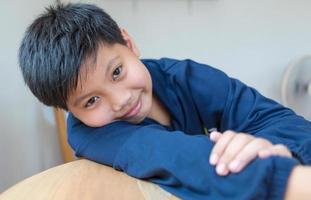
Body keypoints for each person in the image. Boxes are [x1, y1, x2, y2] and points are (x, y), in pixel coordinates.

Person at [18, 3, 311, 200]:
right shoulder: (90, 134)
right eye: (92, 100)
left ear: (128, 43)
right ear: (69, 110)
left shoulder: (182, 75)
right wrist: (285, 178)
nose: (120, 100)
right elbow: (178, 158)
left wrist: (278, 150)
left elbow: (273, 118)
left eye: (117, 72)